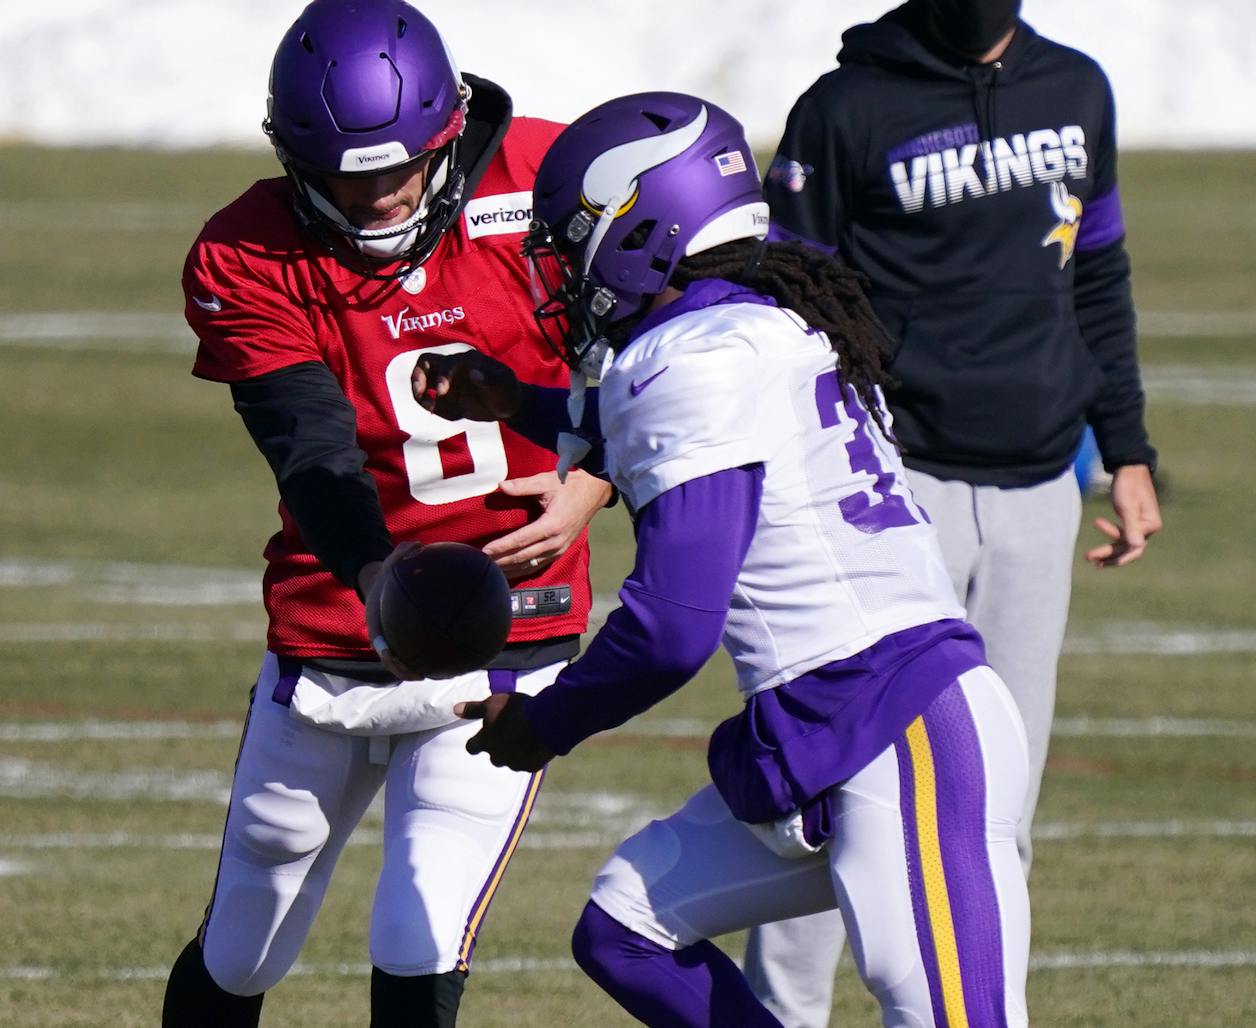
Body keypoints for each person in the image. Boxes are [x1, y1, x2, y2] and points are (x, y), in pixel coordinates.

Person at [416, 91, 1032, 1028]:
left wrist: (546, 722)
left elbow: (671, 628)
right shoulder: (753, 325)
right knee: (625, 926)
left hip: (897, 717)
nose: (562, 270)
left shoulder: (694, 357)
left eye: (573, 237)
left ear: (643, 227)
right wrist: (512, 399)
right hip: (823, 711)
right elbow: (634, 431)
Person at [160, 3, 610, 1026]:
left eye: (399, 168)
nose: (379, 197)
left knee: (419, 931)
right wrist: (377, 576)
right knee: (242, 943)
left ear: (449, 128)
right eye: (349, 177)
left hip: (508, 626)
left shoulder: (545, 179)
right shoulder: (247, 249)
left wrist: (599, 477)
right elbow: (308, 441)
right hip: (333, 622)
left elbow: (675, 347)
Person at [745, 1, 1164, 1023]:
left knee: (996, 808)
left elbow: (1095, 274)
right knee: (839, 789)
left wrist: (1126, 450)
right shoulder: (845, 107)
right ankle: (777, 1012)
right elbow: (782, 296)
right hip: (893, 491)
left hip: (1036, 488)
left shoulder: (1074, 87)